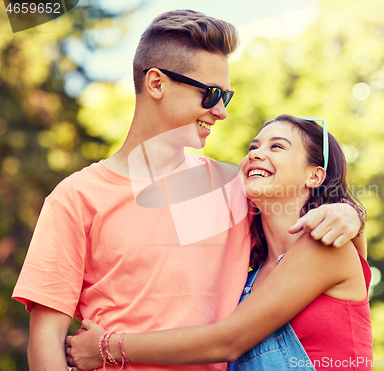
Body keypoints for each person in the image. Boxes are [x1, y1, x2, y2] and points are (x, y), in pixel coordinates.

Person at [12, 10, 365, 371]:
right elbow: (47, 337)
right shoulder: (75, 198)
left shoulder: (236, 188)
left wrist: (349, 213)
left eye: (225, 96)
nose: (221, 111)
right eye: (210, 93)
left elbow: (305, 219)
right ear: (157, 83)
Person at [66, 115, 372, 371]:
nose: (255, 153)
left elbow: (226, 341)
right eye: (253, 147)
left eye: (277, 146)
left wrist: (107, 347)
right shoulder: (247, 275)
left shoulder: (325, 246)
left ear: (315, 176)